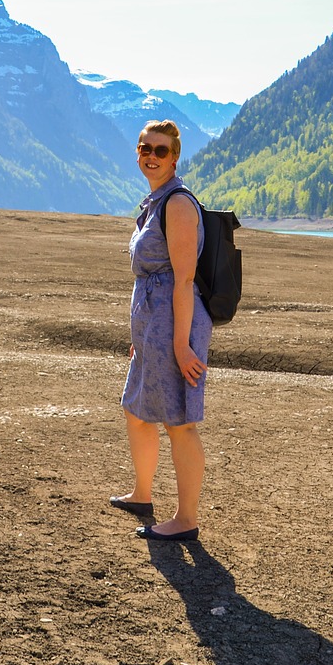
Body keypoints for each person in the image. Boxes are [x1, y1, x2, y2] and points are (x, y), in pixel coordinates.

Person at [110, 119, 211, 542]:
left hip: (174, 321)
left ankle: (185, 519)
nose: (151, 156)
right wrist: (141, 339)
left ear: (175, 156)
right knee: (136, 411)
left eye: (161, 150)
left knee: (179, 423)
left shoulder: (178, 205)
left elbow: (184, 280)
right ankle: (142, 493)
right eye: (144, 148)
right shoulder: (155, 201)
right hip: (152, 324)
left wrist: (180, 345)